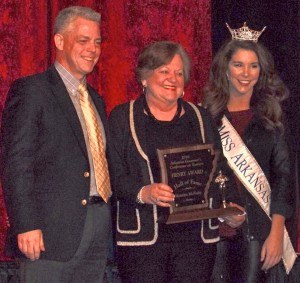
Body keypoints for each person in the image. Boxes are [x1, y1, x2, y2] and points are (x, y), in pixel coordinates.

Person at [108, 41, 245, 283]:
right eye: (164, 71)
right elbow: (114, 175)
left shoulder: (201, 117)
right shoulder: (122, 117)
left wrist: (230, 208)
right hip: (143, 241)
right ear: (145, 78)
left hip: (196, 241)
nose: (172, 78)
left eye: (179, 73)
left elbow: (219, 169)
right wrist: (144, 192)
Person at [1, 6, 112, 283]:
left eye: (97, 42)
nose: (92, 49)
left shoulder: (97, 100)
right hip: (47, 236)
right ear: (59, 41)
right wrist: (25, 224)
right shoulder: (32, 90)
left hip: (97, 232)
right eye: (83, 40)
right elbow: (16, 163)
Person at [203, 23, 297, 282]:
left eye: (253, 66)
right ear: (225, 68)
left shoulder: (271, 118)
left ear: (261, 70)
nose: (246, 73)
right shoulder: (205, 117)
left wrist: (276, 232)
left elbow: (284, 177)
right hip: (210, 231)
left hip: (256, 231)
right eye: (238, 65)